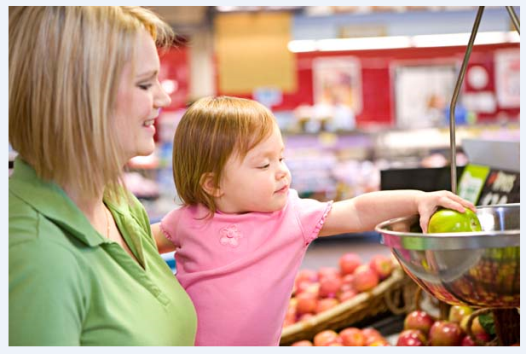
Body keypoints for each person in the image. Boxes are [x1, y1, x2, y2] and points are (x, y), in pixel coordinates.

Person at [152, 96, 475, 346]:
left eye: (281, 158)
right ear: (213, 185)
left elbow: (358, 211)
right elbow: (137, 241)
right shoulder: (187, 220)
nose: (281, 170)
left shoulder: (291, 216)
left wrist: (418, 199)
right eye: (263, 165)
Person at [9, 7, 196, 345]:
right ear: (79, 96)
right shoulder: (34, 256)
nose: (164, 97)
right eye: (144, 83)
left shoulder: (117, 202)